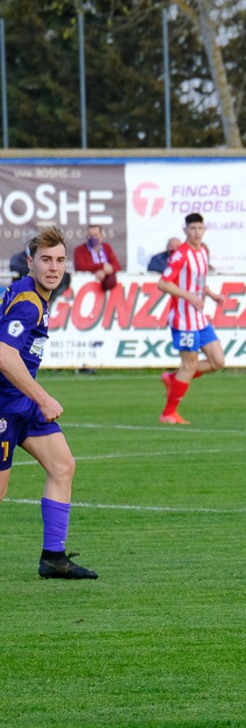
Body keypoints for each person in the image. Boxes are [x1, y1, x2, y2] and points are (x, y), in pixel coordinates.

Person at [0, 225, 98, 580]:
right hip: (5, 406)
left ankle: (53, 558)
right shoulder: (28, 303)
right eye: (46, 260)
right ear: (30, 262)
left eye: (59, 260)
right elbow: (4, 354)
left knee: (62, 466)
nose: (54, 267)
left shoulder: (33, 295)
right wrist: (43, 397)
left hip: (21, 403)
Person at [156, 213, 226, 425]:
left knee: (218, 362)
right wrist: (189, 296)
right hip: (183, 319)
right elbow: (163, 283)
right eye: (192, 228)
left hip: (199, 318)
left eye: (199, 228)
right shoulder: (180, 255)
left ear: (204, 229)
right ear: (185, 230)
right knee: (190, 365)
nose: (196, 232)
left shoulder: (203, 251)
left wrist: (211, 294)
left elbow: (198, 281)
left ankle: (172, 378)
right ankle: (168, 413)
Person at [72, 224, 121, 291]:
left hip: (108, 288)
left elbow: (117, 266)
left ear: (101, 236)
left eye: (95, 235)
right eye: (90, 235)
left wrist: (105, 272)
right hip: (88, 287)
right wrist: (101, 267)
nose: (93, 238)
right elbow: (80, 267)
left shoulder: (107, 247)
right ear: (86, 237)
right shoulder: (80, 250)